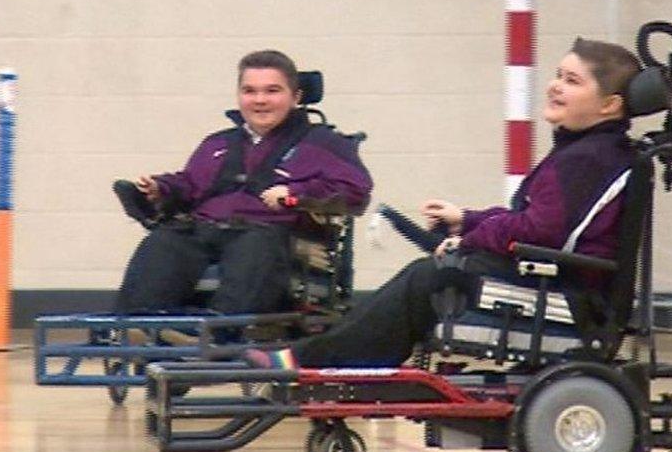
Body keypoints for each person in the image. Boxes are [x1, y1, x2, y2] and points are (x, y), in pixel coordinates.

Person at [245, 37, 642, 369]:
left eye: (572, 81)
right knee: (428, 272)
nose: (555, 85)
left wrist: (470, 241)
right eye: (558, 75)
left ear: (609, 105)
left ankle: (314, 361)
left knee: (430, 277)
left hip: (570, 300)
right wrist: (466, 220)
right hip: (566, 283)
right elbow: (534, 221)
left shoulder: (586, 158)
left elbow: (540, 230)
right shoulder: (593, 151)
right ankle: (319, 356)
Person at [116, 50, 373, 334]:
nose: (260, 100)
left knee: (254, 248)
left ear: (296, 97)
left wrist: (295, 193)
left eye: (272, 91)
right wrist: (159, 189)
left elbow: (355, 191)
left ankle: (218, 335)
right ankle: (142, 329)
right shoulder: (218, 144)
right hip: (204, 230)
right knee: (165, 242)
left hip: (272, 234)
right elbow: (190, 183)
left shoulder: (325, 144)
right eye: (250, 91)